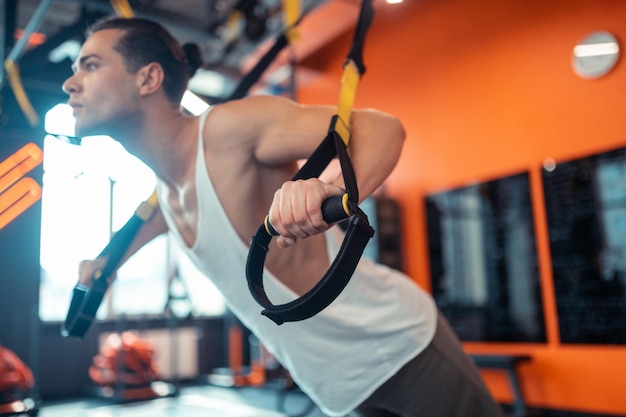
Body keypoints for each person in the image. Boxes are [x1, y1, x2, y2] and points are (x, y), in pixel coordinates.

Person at [65, 16, 505, 417]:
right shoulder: (164, 190)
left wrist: (328, 189)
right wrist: (105, 266)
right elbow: (145, 225)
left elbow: (382, 129)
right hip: (336, 383)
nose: (70, 83)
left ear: (149, 78)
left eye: (90, 66)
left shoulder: (227, 131)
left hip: (400, 346)